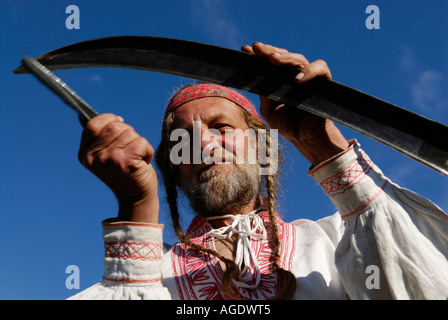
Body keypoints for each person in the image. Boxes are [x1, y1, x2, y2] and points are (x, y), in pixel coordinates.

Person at [69, 42, 448, 300]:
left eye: (220, 126)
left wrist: (323, 145)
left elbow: (426, 285)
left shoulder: (330, 242)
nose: (202, 144)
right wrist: (137, 204)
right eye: (182, 139)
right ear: (174, 169)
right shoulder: (153, 273)